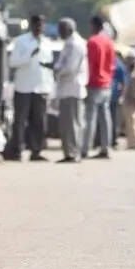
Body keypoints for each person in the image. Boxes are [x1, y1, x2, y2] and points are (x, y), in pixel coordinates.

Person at [7, 14, 53, 161]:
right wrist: (29, 55)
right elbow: (13, 62)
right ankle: (17, 150)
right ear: (32, 25)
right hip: (23, 87)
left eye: (41, 25)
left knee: (38, 121)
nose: (39, 28)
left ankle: (36, 151)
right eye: (37, 25)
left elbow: (48, 66)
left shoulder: (47, 43)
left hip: (40, 88)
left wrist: (49, 88)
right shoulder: (21, 41)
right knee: (20, 121)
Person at [81, 16, 115, 159]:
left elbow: (90, 65)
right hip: (107, 84)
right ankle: (106, 147)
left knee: (90, 118)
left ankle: (85, 149)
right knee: (105, 118)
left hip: (94, 83)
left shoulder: (93, 41)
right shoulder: (109, 42)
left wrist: (86, 81)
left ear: (94, 26)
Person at [53, 18, 86, 163]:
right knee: (67, 123)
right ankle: (69, 152)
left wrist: (56, 70)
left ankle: (73, 153)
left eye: (61, 29)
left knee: (72, 123)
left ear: (69, 29)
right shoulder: (69, 43)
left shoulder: (75, 44)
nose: (59, 32)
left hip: (72, 88)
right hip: (67, 88)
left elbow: (70, 67)